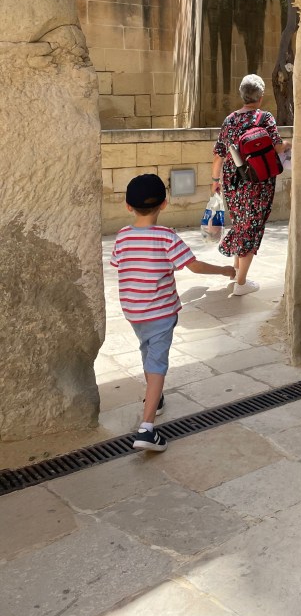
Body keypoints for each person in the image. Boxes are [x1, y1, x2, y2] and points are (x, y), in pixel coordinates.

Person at [110, 173, 236, 452]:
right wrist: (224, 270)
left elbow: (118, 264)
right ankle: (146, 429)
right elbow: (194, 266)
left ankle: (156, 399)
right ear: (164, 204)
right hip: (160, 312)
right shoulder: (166, 237)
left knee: (148, 352)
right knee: (157, 363)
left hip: (133, 311)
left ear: (128, 206)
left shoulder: (122, 236)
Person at [211, 74, 290, 295]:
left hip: (233, 180)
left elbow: (219, 154)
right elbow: (277, 147)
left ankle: (237, 272)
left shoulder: (230, 120)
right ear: (261, 96)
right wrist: (288, 144)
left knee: (241, 224)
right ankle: (242, 283)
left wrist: (215, 181)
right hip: (258, 182)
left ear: (242, 95)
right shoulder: (265, 118)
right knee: (251, 227)